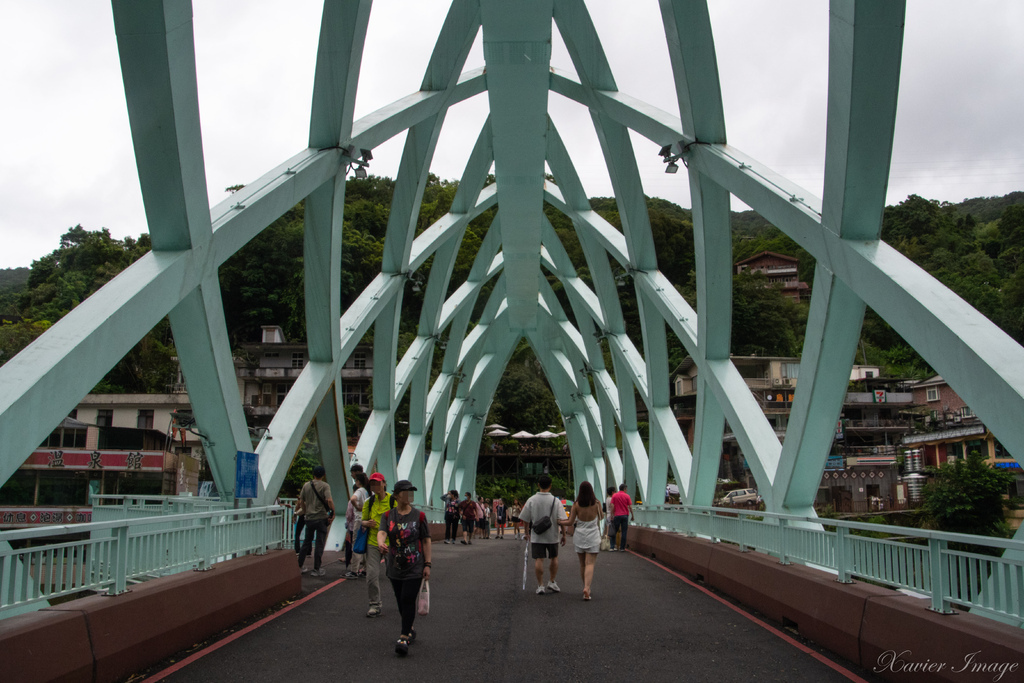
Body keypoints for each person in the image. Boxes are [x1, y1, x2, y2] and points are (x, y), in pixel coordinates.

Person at [378, 480, 431, 656]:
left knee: (407, 598)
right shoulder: (388, 516)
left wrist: (428, 564)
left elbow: (426, 540)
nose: (409, 495)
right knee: (400, 600)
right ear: (396, 495)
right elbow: (382, 532)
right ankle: (409, 628)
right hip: (394, 566)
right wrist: (381, 543)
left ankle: (403, 637)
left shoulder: (419, 516)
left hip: (414, 566)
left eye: (411, 491)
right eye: (406, 492)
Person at [518, 474, 568, 594]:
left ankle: (540, 585)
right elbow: (561, 520)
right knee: (554, 558)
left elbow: (525, 519)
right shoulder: (556, 501)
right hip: (552, 535)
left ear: (538, 485)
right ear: (550, 486)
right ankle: (552, 581)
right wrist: (564, 535)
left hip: (537, 535)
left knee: (539, 559)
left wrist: (527, 533)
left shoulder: (531, 500)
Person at [560, 481, 603, 600]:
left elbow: (570, 522)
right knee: (590, 563)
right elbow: (601, 517)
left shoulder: (576, 505)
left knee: (582, 563)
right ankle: (587, 588)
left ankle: (585, 587)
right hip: (593, 535)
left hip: (579, 535)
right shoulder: (597, 503)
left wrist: (559, 521)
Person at [362, 472, 395, 617]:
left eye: (378, 483)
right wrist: (366, 523)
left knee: (395, 574)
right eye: (372, 484)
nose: (375, 486)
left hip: (391, 543)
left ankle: (403, 600)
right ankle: (374, 604)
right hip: (373, 542)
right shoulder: (369, 502)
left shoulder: (393, 501)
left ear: (384, 483)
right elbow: (362, 521)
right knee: (371, 575)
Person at [297, 465, 334, 577]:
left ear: (313, 474)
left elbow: (301, 500)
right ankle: (316, 569)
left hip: (309, 518)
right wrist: (333, 512)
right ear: (324, 475)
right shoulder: (325, 486)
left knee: (306, 542)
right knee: (319, 543)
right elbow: (329, 500)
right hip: (321, 517)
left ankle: (299, 566)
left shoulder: (306, 485)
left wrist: (305, 511)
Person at [345, 472, 370, 578]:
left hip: (359, 520)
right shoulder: (368, 492)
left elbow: (353, 499)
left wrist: (357, 507)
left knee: (355, 545)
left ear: (358, 481)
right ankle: (365, 569)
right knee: (364, 544)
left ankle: (354, 571)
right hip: (366, 520)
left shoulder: (359, 490)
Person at [609, 483, 634, 551]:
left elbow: (612, 505)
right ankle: (622, 548)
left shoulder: (614, 495)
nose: (626, 490)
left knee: (614, 531)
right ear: (624, 489)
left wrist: (612, 514)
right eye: (626, 489)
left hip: (617, 515)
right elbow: (630, 507)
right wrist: (632, 515)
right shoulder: (627, 496)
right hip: (625, 515)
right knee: (624, 532)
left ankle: (612, 547)